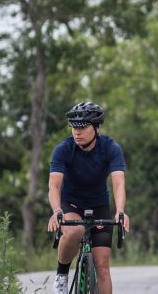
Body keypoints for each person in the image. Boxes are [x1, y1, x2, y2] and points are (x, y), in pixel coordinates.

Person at [47, 101, 130, 294]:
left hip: (99, 204)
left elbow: (118, 183)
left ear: (96, 128)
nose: (77, 132)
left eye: (82, 127)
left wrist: (120, 211)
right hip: (71, 204)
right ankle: (61, 276)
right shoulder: (63, 149)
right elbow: (54, 185)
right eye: (74, 127)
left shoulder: (110, 148)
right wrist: (57, 210)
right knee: (75, 231)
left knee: (102, 267)